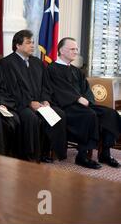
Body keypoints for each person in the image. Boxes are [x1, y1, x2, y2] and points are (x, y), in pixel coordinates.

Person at [47, 37, 120, 169]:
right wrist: (76, 99)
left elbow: (86, 90)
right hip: (67, 107)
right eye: (72, 49)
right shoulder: (52, 69)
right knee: (89, 115)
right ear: (61, 51)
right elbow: (59, 90)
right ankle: (82, 156)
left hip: (84, 106)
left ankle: (105, 153)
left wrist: (88, 100)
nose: (76, 52)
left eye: (76, 49)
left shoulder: (76, 71)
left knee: (110, 113)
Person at [0, 30, 67, 162]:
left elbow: (46, 86)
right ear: (18, 45)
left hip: (40, 103)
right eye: (28, 42)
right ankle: (29, 155)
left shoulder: (38, 63)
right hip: (20, 104)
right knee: (30, 117)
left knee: (59, 114)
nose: (32, 45)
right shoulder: (7, 63)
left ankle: (45, 152)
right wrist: (29, 103)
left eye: (33, 42)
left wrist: (45, 100)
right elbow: (12, 89)